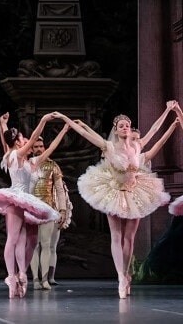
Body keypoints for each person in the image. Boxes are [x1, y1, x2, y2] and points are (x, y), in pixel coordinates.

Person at [54, 104, 176, 298]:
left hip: (136, 192)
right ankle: (120, 276)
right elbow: (86, 135)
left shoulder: (138, 145)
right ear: (116, 129)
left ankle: (127, 274)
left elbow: (154, 130)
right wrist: (66, 119)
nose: (125, 128)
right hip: (115, 192)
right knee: (117, 235)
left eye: (127, 125)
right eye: (121, 126)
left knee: (130, 238)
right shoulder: (109, 146)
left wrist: (168, 112)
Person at [0, 112, 63, 298]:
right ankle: (11, 277)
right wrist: (43, 120)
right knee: (14, 238)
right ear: (17, 142)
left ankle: (22, 273)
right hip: (17, 198)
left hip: (25, 201)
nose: (25, 140)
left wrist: (3, 125)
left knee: (26, 240)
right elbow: (31, 138)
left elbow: (47, 149)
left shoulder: (20, 156)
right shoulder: (15, 154)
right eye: (21, 138)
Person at [29, 135, 72, 290]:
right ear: (31, 149)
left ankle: (46, 278)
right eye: (36, 147)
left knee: (47, 244)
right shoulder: (28, 165)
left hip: (49, 208)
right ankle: (35, 279)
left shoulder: (53, 166)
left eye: (41, 146)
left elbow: (60, 190)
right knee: (34, 245)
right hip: (32, 209)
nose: (39, 149)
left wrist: (62, 209)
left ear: (45, 148)